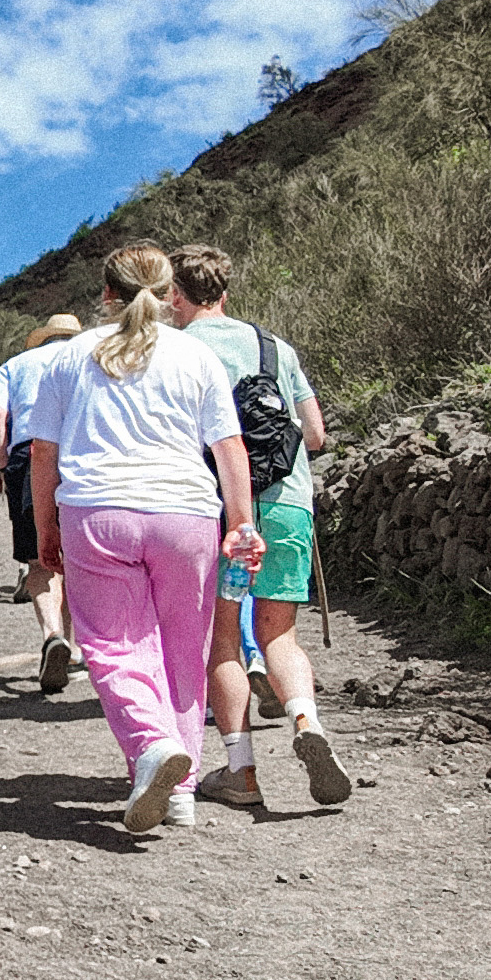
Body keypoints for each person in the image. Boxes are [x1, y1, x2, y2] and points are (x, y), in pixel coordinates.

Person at [22, 245, 264, 834]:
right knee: (185, 648)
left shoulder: (67, 358)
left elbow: (43, 455)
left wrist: (44, 530)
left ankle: (152, 747)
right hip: (186, 517)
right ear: (169, 291)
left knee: (114, 646)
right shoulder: (195, 355)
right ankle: (179, 791)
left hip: (97, 514)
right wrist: (242, 522)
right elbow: (228, 448)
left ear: (106, 294)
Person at [167, 243, 352, 810]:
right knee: (279, 635)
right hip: (290, 502)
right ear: (224, 293)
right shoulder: (275, 347)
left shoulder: (173, 349)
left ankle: (241, 773)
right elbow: (315, 435)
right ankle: (304, 720)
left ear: (175, 295)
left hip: (221, 510)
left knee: (223, 640)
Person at [0, 313, 85, 691]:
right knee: (77, 555)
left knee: (39, 557)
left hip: (29, 455)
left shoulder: (15, 365)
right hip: (82, 451)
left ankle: (52, 635)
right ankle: (75, 649)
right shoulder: (90, 357)